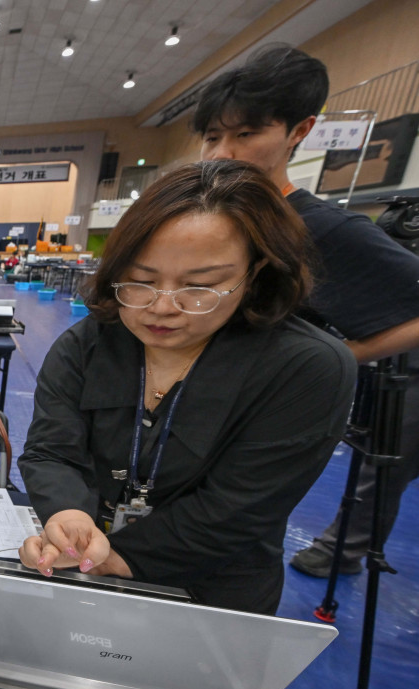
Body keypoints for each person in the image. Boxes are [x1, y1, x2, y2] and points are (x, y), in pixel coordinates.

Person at [17, 161, 356, 614]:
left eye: (200, 287)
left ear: (254, 273)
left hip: (210, 588)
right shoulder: (90, 342)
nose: (162, 307)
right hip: (83, 562)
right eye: (140, 281)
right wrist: (69, 517)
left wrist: (117, 558)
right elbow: (52, 449)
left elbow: (237, 508)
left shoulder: (306, 366)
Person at [194, 45, 419, 577]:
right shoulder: (210, 217)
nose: (223, 152)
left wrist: (341, 355)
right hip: (206, 402)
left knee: (233, 539)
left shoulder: (323, 229)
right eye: (211, 138)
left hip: (269, 417)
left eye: (245, 135)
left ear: (298, 131)